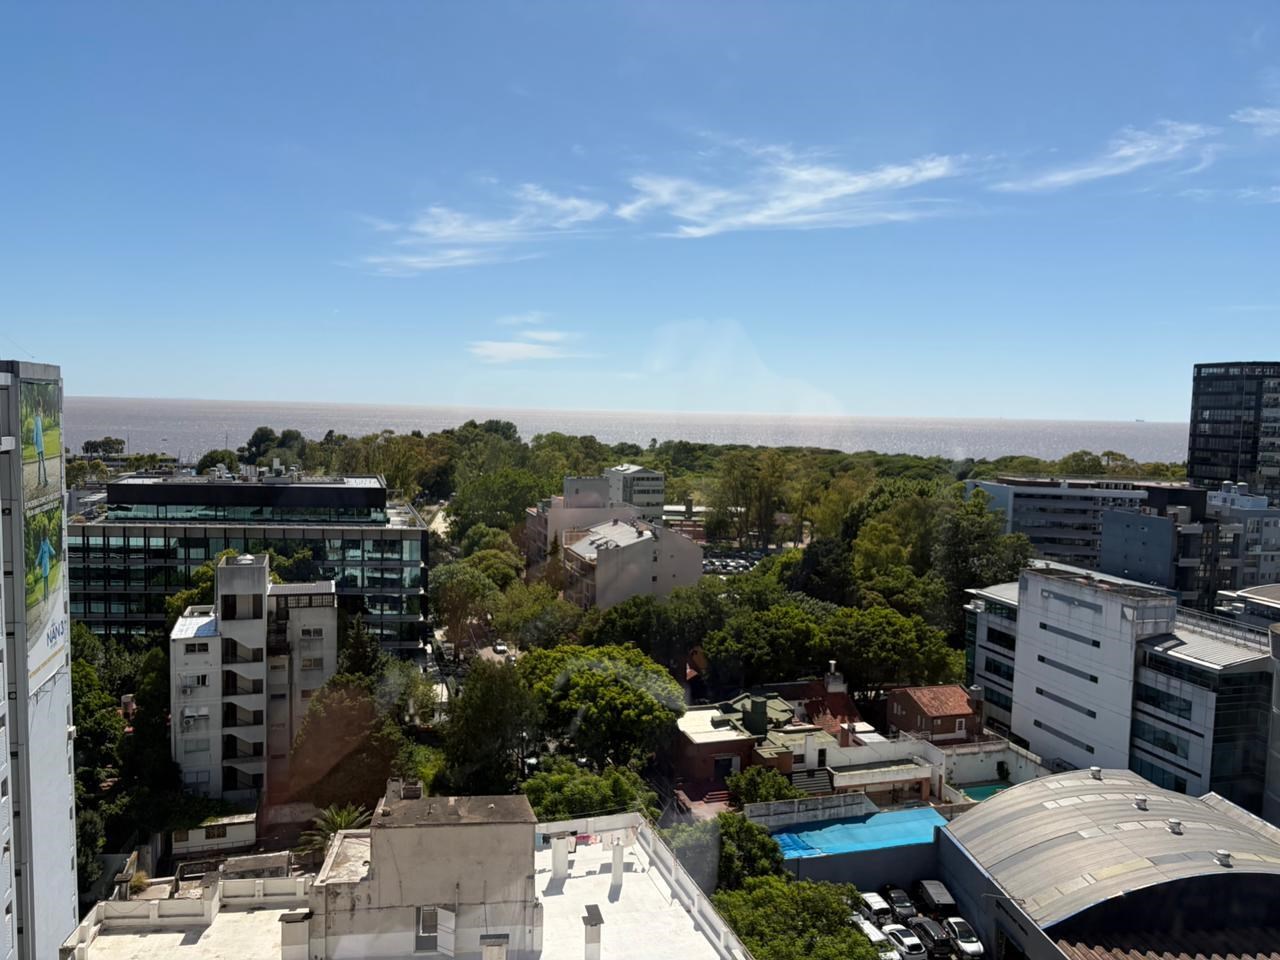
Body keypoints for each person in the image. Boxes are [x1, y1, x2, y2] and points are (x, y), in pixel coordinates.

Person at [36, 533, 55, 602]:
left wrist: (53, 552)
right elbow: (40, 554)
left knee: (46, 579)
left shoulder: (47, 544)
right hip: (44, 565)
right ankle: (45, 597)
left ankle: (46, 596)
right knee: (45, 580)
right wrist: (37, 562)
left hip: (46, 564)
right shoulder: (43, 545)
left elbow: (51, 550)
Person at [33, 400, 48, 487]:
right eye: (39, 411)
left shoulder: (38, 418)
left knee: (41, 462)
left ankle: (42, 480)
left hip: (40, 443)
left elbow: (37, 431)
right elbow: (36, 431)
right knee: (42, 462)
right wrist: (35, 441)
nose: (39, 412)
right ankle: (42, 480)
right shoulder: (37, 419)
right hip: (39, 444)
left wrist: (35, 441)